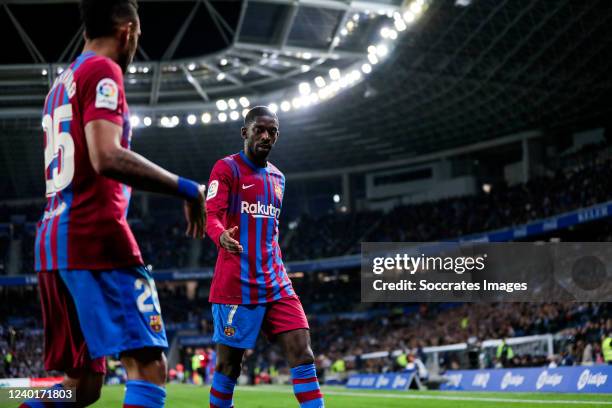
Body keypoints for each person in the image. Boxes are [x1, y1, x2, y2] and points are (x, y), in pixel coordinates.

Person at [24, 1, 206, 406]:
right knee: (150, 367)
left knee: (81, 387)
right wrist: (188, 188)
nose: (136, 43)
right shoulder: (103, 71)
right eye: (138, 35)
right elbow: (106, 155)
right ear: (127, 30)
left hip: (53, 243)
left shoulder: (62, 82)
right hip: (95, 238)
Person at [205, 106, 324, 408]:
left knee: (303, 352)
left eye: (272, 131)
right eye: (259, 129)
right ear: (245, 133)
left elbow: (269, 229)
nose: (266, 136)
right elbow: (211, 216)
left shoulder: (279, 178)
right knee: (229, 367)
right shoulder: (226, 168)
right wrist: (221, 235)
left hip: (276, 282)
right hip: (236, 285)